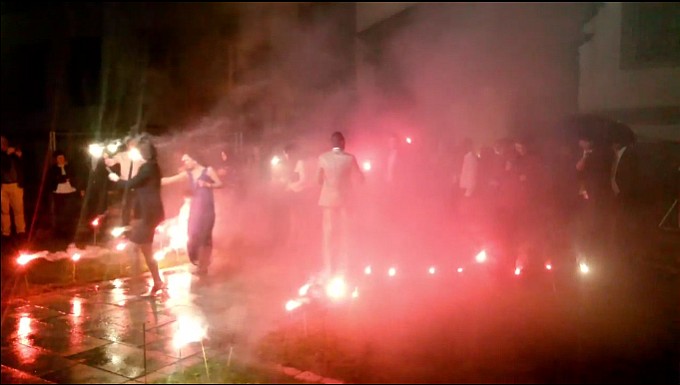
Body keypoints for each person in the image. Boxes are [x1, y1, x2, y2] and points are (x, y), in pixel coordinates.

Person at [108, 138, 165, 295]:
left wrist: (116, 179)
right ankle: (157, 282)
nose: (136, 154)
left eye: (138, 151)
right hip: (149, 213)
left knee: (134, 248)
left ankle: (136, 287)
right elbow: (135, 184)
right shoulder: (150, 167)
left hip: (149, 214)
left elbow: (131, 184)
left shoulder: (148, 168)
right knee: (146, 250)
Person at [162, 152, 223, 276]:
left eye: (186, 160)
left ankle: (203, 266)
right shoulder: (187, 174)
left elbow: (220, 184)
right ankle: (197, 260)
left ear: (194, 160)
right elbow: (169, 180)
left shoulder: (208, 171)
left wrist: (208, 184)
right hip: (195, 209)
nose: (184, 163)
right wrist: (152, 180)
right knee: (192, 235)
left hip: (207, 210)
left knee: (205, 237)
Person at [317, 132, 364, 277]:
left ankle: (329, 268)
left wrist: (328, 184)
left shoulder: (323, 158)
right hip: (345, 200)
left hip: (328, 200)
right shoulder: (350, 159)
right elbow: (360, 178)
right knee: (346, 233)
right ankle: (346, 267)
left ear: (331, 143)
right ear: (343, 142)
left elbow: (318, 180)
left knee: (329, 234)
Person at [104, 136, 144, 226]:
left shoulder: (140, 156)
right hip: (124, 185)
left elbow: (146, 164)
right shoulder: (121, 155)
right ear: (127, 145)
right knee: (126, 206)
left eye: (135, 144)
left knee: (138, 205)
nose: (133, 145)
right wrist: (106, 157)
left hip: (137, 184)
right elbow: (110, 162)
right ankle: (125, 226)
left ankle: (138, 225)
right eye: (131, 144)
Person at [48, 150, 84, 241]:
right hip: (59, 193)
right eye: (58, 158)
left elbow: (75, 178)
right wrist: (62, 179)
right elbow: (53, 180)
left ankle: (71, 232)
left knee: (70, 212)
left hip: (70, 192)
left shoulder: (70, 167)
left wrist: (79, 189)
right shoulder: (53, 169)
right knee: (60, 213)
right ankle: (60, 232)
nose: (60, 160)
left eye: (62, 158)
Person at [1, 135, 25, 241]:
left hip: (15, 185)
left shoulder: (14, 154)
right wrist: (6, 154)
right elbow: (4, 165)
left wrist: (16, 153)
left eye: (3, 142)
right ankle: (6, 232)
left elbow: (23, 162)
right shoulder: (3, 155)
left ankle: (21, 231)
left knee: (18, 210)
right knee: (4, 211)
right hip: (2, 186)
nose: (2, 144)